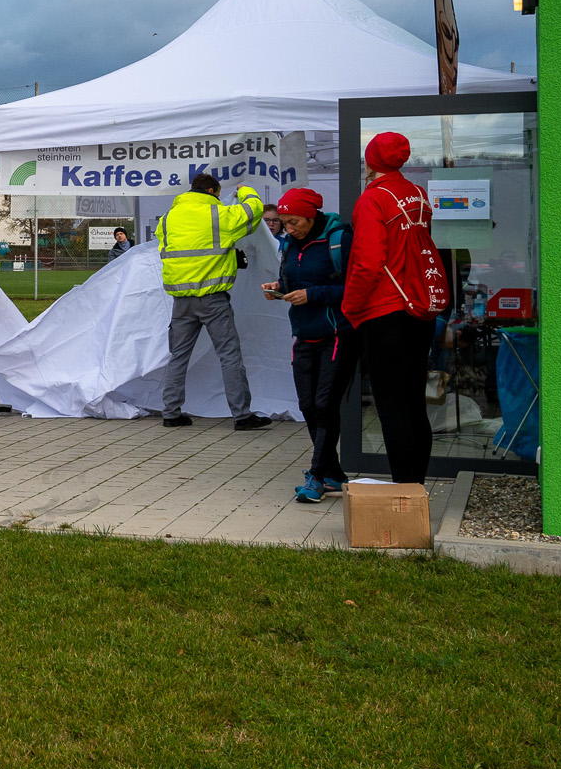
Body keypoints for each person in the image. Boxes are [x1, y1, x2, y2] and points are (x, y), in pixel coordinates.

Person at [342, 132, 446, 484]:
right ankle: (416, 486)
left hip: (385, 310)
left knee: (391, 406)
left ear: (370, 161)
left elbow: (367, 262)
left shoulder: (373, 198)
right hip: (418, 307)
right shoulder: (417, 194)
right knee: (414, 403)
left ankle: (405, 491)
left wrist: (350, 307)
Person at [157, 171, 270, 430]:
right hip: (213, 299)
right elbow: (254, 210)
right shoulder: (218, 214)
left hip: (181, 300)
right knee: (229, 355)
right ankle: (242, 416)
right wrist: (244, 190)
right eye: (218, 195)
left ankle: (171, 413)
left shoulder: (168, 218)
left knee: (178, 356)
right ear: (211, 191)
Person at [262, 188, 354, 503]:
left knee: (325, 405)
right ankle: (333, 474)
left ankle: (316, 475)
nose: (289, 229)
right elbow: (292, 281)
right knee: (307, 406)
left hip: (337, 333)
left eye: (294, 222)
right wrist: (278, 287)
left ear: (312, 216)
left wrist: (311, 295)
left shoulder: (340, 239)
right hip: (303, 334)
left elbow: (355, 286)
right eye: (284, 222)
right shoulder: (290, 244)